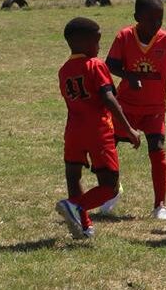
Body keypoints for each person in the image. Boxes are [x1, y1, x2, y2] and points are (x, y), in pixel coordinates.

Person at [103, 0, 166, 220]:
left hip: (154, 108)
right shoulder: (124, 37)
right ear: (137, 17)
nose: (156, 24)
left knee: (157, 150)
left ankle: (160, 205)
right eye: (150, 19)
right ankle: (112, 190)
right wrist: (128, 76)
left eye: (159, 19)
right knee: (108, 146)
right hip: (126, 107)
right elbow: (110, 65)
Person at [56, 17, 141, 239]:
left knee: (73, 177)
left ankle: (83, 225)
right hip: (98, 131)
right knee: (110, 186)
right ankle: (74, 205)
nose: (99, 45)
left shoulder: (64, 70)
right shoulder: (96, 65)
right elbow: (109, 99)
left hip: (73, 130)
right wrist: (130, 129)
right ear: (82, 41)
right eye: (97, 40)